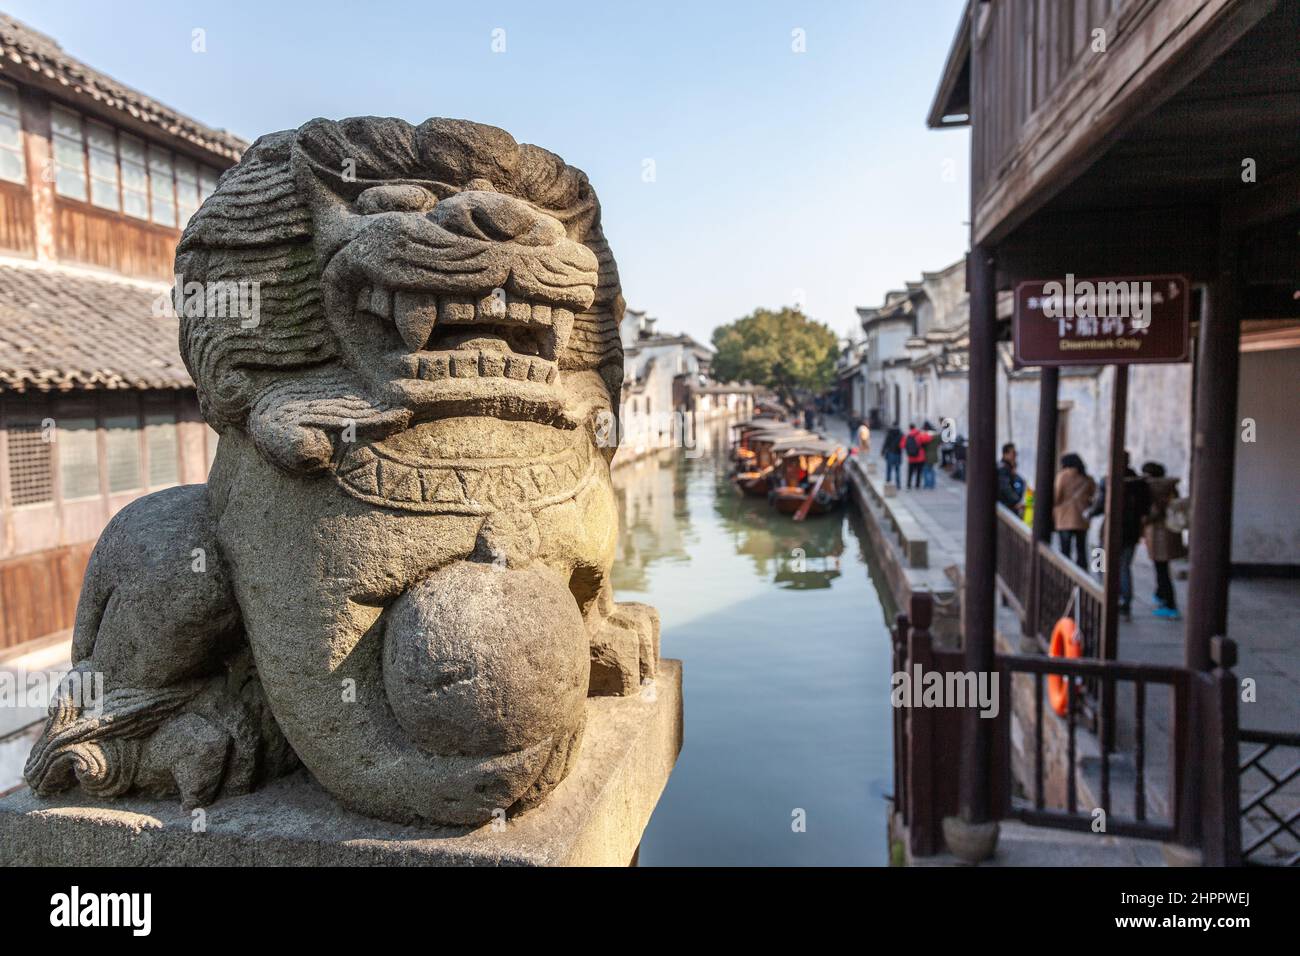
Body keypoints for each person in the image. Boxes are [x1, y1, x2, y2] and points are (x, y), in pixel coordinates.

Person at [1087, 451, 1149, 620]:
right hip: (1132, 531)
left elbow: (1100, 505)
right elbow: (1145, 509)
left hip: (1111, 529)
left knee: (1099, 559)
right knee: (1124, 566)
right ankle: (1125, 600)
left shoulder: (1108, 480)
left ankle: (1103, 591)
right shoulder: (1140, 483)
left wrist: (1089, 513)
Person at [1141, 461, 1186, 620]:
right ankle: (1160, 595)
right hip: (1170, 531)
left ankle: (1170, 605)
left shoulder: (1151, 488)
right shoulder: (1170, 486)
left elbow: (1153, 512)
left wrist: (1143, 521)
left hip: (1157, 533)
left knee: (1161, 570)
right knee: (1162, 568)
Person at [1052, 453, 1096, 568]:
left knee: (1065, 550)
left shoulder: (1062, 476)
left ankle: (1065, 577)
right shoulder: (1087, 478)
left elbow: (1056, 496)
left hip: (1064, 518)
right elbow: (1094, 495)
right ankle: (1082, 577)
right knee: (1081, 550)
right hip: (1082, 519)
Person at [996, 442, 1026, 513]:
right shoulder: (1003, 469)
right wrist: (1016, 501)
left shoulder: (1007, 468)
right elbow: (1005, 487)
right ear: (1005, 454)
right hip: (1006, 506)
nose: (1015, 456)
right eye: (1013, 453)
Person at [901, 423, 930, 489]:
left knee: (910, 472)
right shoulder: (919, 434)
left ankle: (909, 484)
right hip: (920, 457)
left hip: (911, 458)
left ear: (909, 428)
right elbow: (928, 439)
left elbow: (902, 445)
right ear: (915, 427)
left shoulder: (907, 436)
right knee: (919, 472)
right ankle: (917, 485)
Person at [921, 420, 940, 488]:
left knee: (925, 470)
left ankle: (927, 484)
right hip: (934, 455)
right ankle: (932, 484)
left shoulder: (925, 436)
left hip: (926, 455)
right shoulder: (936, 436)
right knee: (931, 470)